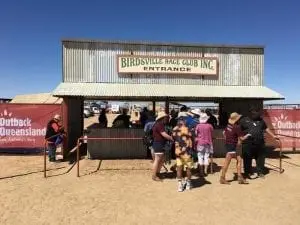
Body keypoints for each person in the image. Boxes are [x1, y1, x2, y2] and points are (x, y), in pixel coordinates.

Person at [239, 107, 279, 179]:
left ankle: (260, 172)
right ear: (251, 112)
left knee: (260, 158)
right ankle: (248, 172)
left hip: (260, 143)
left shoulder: (261, 120)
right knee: (247, 159)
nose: (256, 114)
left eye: (257, 113)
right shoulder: (244, 120)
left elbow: (265, 128)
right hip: (248, 144)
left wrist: (273, 136)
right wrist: (240, 138)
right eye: (254, 113)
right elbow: (239, 130)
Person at [220, 112, 250, 184]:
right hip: (233, 146)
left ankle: (239, 177)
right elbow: (242, 138)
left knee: (239, 159)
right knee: (228, 162)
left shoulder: (228, 126)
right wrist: (248, 135)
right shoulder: (237, 127)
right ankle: (223, 178)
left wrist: (227, 139)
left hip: (229, 145)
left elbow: (224, 133)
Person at [151, 112, 174, 181]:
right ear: (162, 118)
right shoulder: (160, 125)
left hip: (158, 143)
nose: (166, 119)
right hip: (159, 143)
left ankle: (157, 173)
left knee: (161, 160)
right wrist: (171, 138)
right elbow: (164, 134)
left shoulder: (157, 124)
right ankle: (154, 175)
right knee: (157, 160)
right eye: (165, 117)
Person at [173, 118, 193, 192]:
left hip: (178, 152)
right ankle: (188, 183)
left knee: (179, 168)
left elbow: (173, 138)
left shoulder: (175, 130)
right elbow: (192, 138)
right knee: (188, 168)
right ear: (184, 122)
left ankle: (180, 185)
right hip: (187, 152)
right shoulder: (189, 129)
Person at [195, 113, 214, 177]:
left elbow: (196, 133)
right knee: (206, 157)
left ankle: (201, 172)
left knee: (200, 157)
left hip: (200, 143)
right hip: (208, 142)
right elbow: (212, 133)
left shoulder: (198, 126)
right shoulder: (210, 126)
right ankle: (205, 170)